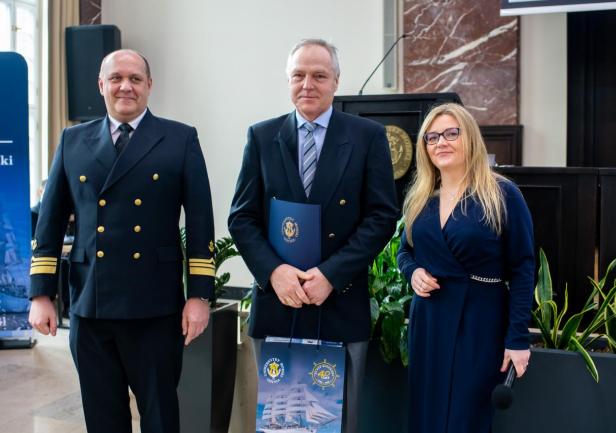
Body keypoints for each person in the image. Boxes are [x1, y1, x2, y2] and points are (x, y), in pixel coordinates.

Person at [28, 49, 215, 433]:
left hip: (156, 307)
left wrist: (199, 296)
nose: (125, 86)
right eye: (116, 78)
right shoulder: (73, 140)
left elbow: (200, 223)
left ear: (149, 85)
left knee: (161, 418)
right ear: (101, 85)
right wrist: (40, 294)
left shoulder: (180, 138)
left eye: (135, 79)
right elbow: (50, 223)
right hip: (91, 305)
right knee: (103, 419)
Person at [228, 39, 398, 433]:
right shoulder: (262, 136)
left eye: (319, 75)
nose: (308, 84)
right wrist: (274, 273)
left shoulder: (367, 137)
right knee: (280, 423)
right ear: (288, 80)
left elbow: (382, 215)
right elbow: (242, 217)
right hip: (278, 302)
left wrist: (331, 275)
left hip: (340, 301)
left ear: (336, 81)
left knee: (335, 422)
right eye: (298, 75)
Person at [397, 103, 535, 433]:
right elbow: (405, 252)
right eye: (432, 137)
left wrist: (518, 338)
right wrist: (413, 273)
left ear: (469, 137)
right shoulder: (421, 196)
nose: (440, 142)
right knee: (427, 415)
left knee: (465, 418)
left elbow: (523, 267)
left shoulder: (502, 194)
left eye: (451, 133)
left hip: (479, 321)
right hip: (429, 321)